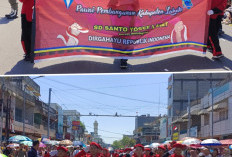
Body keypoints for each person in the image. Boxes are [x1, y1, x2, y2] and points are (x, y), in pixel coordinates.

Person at [107, 0, 139, 69]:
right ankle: (123, 58)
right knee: (123, 42)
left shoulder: (130, 7)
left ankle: (123, 59)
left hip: (126, 26)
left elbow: (110, 6)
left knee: (124, 42)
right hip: (122, 26)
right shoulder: (130, 7)